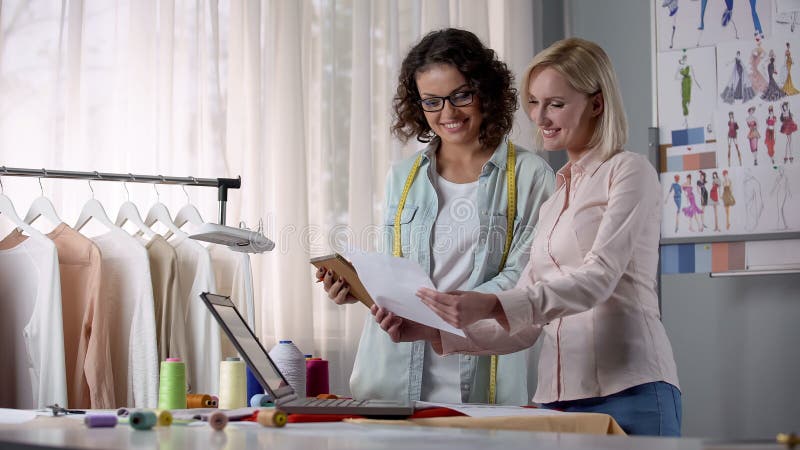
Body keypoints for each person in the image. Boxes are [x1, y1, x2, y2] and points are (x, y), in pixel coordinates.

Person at [372, 38, 681, 436]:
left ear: (597, 104)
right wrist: (435, 331)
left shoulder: (629, 171)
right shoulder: (555, 199)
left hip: (630, 389)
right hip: (557, 398)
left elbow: (598, 278)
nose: (541, 117)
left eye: (556, 103)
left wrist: (489, 302)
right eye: (534, 103)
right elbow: (526, 326)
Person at [315, 28, 554, 405]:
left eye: (460, 95)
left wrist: (443, 317)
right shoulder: (403, 176)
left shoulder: (530, 176)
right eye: (431, 102)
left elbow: (522, 278)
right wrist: (359, 290)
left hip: (480, 381)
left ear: (485, 92)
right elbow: (393, 267)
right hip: (390, 382)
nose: (448, 113)